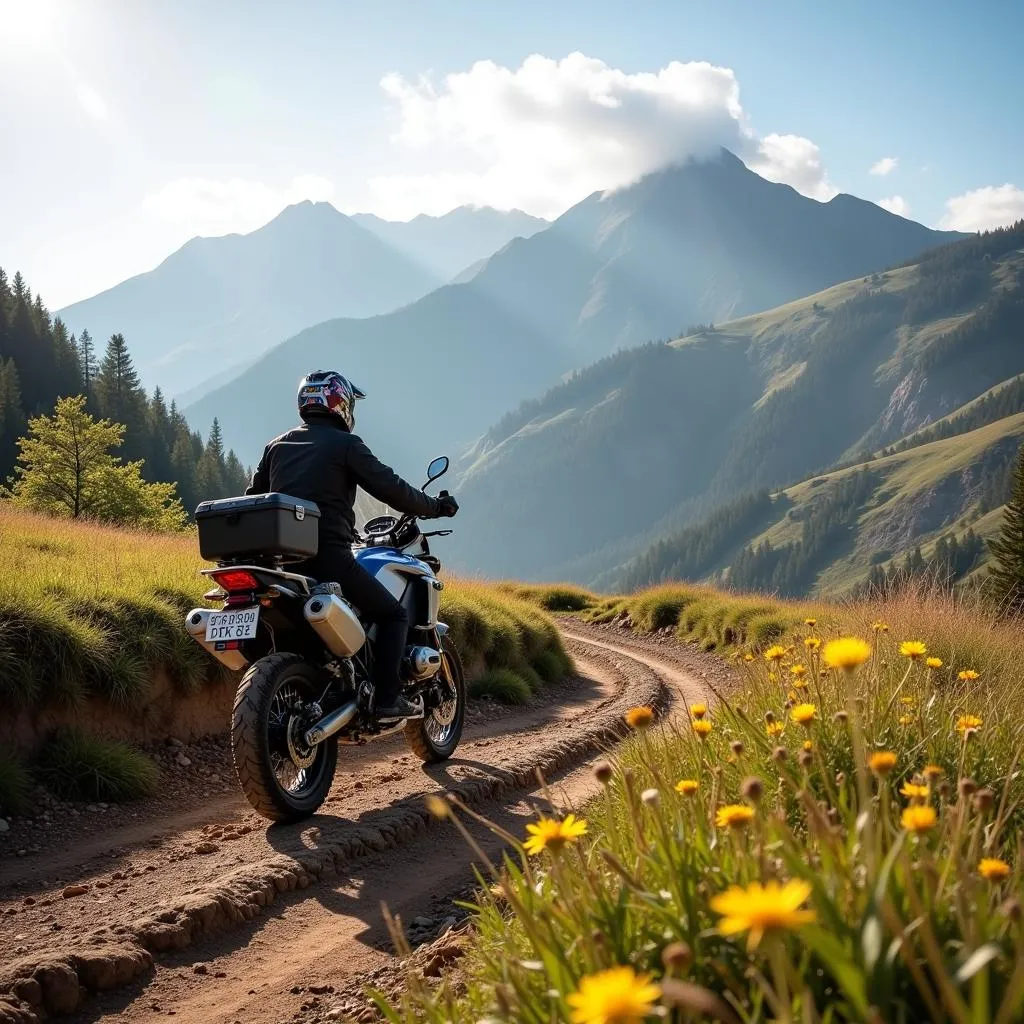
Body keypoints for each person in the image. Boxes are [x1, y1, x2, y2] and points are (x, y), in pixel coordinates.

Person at [246, 370, 458, 720]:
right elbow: (391, 488)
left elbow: (253, 500)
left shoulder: (276, 445)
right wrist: (435, 507)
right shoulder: (346, 445)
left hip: (279, 565)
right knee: (394, 615)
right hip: (328, 559)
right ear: (340, 403)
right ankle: (388, 699)